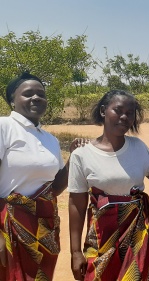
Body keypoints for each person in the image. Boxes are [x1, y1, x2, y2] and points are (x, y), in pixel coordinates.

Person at [68, 90, 149, 281]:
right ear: (103, 111)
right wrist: (76, 251)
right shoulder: (82, 154)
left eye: (130, 112)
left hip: (139, 237)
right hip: (102, 238)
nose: (124, 117)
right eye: (118, 110)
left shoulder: (138, 147)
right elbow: (77, 204)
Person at [0, 72, 80, 280]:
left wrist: (73, 158)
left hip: (44, 228)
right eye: (28, 94)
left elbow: (54, 188)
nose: (36, 98)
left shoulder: (50, 139)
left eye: (41, 94)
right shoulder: (4, 127)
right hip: (9, 225)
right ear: (12, 100)